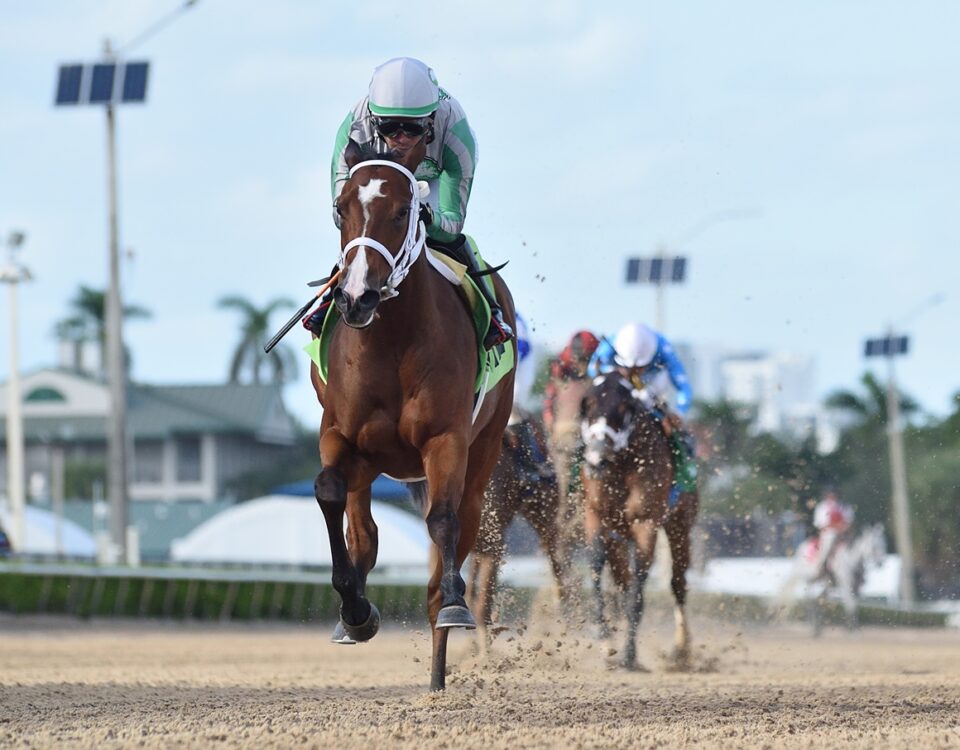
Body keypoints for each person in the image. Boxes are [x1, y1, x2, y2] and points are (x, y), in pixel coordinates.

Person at [329, 57, 512, 350]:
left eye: (412, 129)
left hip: (435, 181)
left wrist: (426, 217)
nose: (400, 139)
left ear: (430, 119)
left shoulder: (456, 134)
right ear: (375, 120)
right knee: (364, 230)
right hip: (379, 189)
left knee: (448, 242)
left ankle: (492, 315)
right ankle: (324, 306)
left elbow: (452, 222)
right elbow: (342, 212)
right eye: (390, 128)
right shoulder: (355, 127)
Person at [542, 330, 601, 549]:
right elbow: (549, 401)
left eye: (586, 360)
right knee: (563, 492)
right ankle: (559, 533)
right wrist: (549, 418)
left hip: (592, 437)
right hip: (564, 439)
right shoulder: (560, 370)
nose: (581, 365)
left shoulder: (599, 371)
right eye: (580, 359)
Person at [588, 322, 693, 423]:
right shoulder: (611, 342)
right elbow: (592, 369)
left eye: (639, 367)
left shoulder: (664, 348)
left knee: (646, 397)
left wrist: (679, 413)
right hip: (620, 378)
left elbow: (684, 387)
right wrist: (615, 371)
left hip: (653, 383)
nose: (634, 372)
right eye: (630, 367)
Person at [811, 490, 854, 580]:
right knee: (827, 545)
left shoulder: (844, 506)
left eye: (834, 495)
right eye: (830, 495)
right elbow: (821, 525)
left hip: (843, 534)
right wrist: (836, 527)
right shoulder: (822, 507)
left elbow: (849, 522)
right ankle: (821, 567)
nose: (832, 497)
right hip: (829, 534)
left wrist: (842, 528)